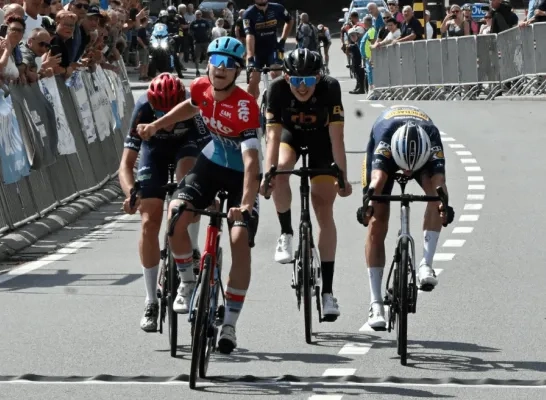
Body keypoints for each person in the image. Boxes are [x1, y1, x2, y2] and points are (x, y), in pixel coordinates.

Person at [136, 37, 261, 354]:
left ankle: (230, 323)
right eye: (216, 63)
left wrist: (245, 203)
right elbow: (188, 107)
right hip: (212, 163)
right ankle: (188, 281)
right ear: (208, 65)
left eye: (228, 66)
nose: (220, 70)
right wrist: (156, 125)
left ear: (236, 72)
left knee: (238, 240)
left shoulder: (245, 107)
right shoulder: (203, 87)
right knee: (176, 213)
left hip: (241, 178)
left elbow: (250, 162)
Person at [260, 48, 352, 321]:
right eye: (296, 80)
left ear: (319, 77)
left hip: (322, 141)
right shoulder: (276, 91)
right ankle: (286, 232)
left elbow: (337, 139)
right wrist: (268, 174)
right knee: (279, 171)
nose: (302, 87)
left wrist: (343, 177)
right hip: (290, 136)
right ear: (286, 78)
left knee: (323, 208)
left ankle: (328, 292)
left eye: (309, 81)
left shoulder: (330, 88)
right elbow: (272, 141)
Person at [119, 73, 211, 332]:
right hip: (155, 154)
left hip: (188, 148)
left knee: (187, 182)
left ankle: (191, 248)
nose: (167, 120)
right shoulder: (143, 109)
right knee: (149, 221)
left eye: (171, 113)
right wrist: (130, 194)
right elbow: (125, 166)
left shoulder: (193, 110)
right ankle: (150, 300)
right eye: (161, 113)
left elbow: (209, 158)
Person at [357, 105, 455, 329]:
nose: (408, 174)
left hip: (420, 154)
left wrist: (444, 208)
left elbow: (440, 183)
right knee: (378, 218)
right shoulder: (385, 137)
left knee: (435, 195)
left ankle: (426, 265)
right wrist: (368, 206)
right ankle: (375, 303)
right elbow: (377, 180)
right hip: (389, 156)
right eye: (406, 170)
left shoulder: (432, 137)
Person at [243, 0, 293, 99]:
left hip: (274, 48)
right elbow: (250, 36)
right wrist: (250, 58)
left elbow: (290, 20)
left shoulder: (278, 8)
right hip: (256, 51)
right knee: (253, 79)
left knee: (277, 75)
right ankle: (252, 108)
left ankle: (278, 104)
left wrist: (282, 40)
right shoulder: (248, 13)